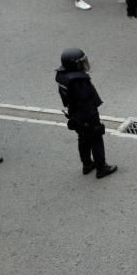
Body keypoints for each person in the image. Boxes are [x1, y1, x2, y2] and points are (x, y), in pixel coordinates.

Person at [55, 48, 117, 178]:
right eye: (80, 62)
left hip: (74, 113)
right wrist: (93, 120)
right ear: (73, 64)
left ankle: (87, 165)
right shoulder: (79, 81)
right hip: (86, 115)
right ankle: (101, 168)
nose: (83, 64)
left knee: (83, 139)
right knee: (96, 138)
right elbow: (85, 99)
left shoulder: (62, 76)